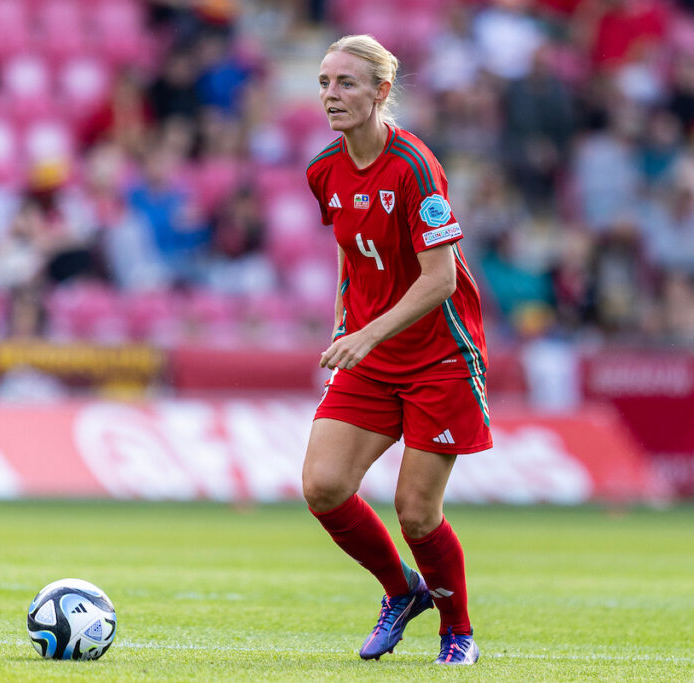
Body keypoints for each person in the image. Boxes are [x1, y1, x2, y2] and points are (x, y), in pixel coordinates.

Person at [303, 34, 490, 666]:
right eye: (326, 83)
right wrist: (341, 320)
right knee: (324, 486)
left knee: (415, 512)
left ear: (382, 91)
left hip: (439, 357)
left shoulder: (414, 164)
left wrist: (365, 333)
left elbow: (440, 279)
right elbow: (350, 249)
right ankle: (402, 593)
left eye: (347, 83)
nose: (332, 95)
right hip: (372, 351)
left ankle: (456, 633)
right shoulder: (323, 169)